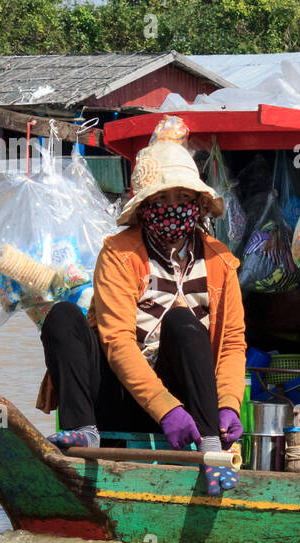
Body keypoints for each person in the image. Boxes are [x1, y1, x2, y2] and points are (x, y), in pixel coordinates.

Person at [36, 140, 247, 495]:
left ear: (197, 204)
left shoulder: (220, 261)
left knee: (182, 323)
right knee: (61, 316)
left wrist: (228, 405)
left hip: (189, 404)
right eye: (161, 200)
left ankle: (212, 449)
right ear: (145, 207)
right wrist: (164, 409)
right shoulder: (118, 254)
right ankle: (83, 432)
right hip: (122, 397)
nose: (172, 208)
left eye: (182, 198)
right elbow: (117, 341)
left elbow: (231, 344)